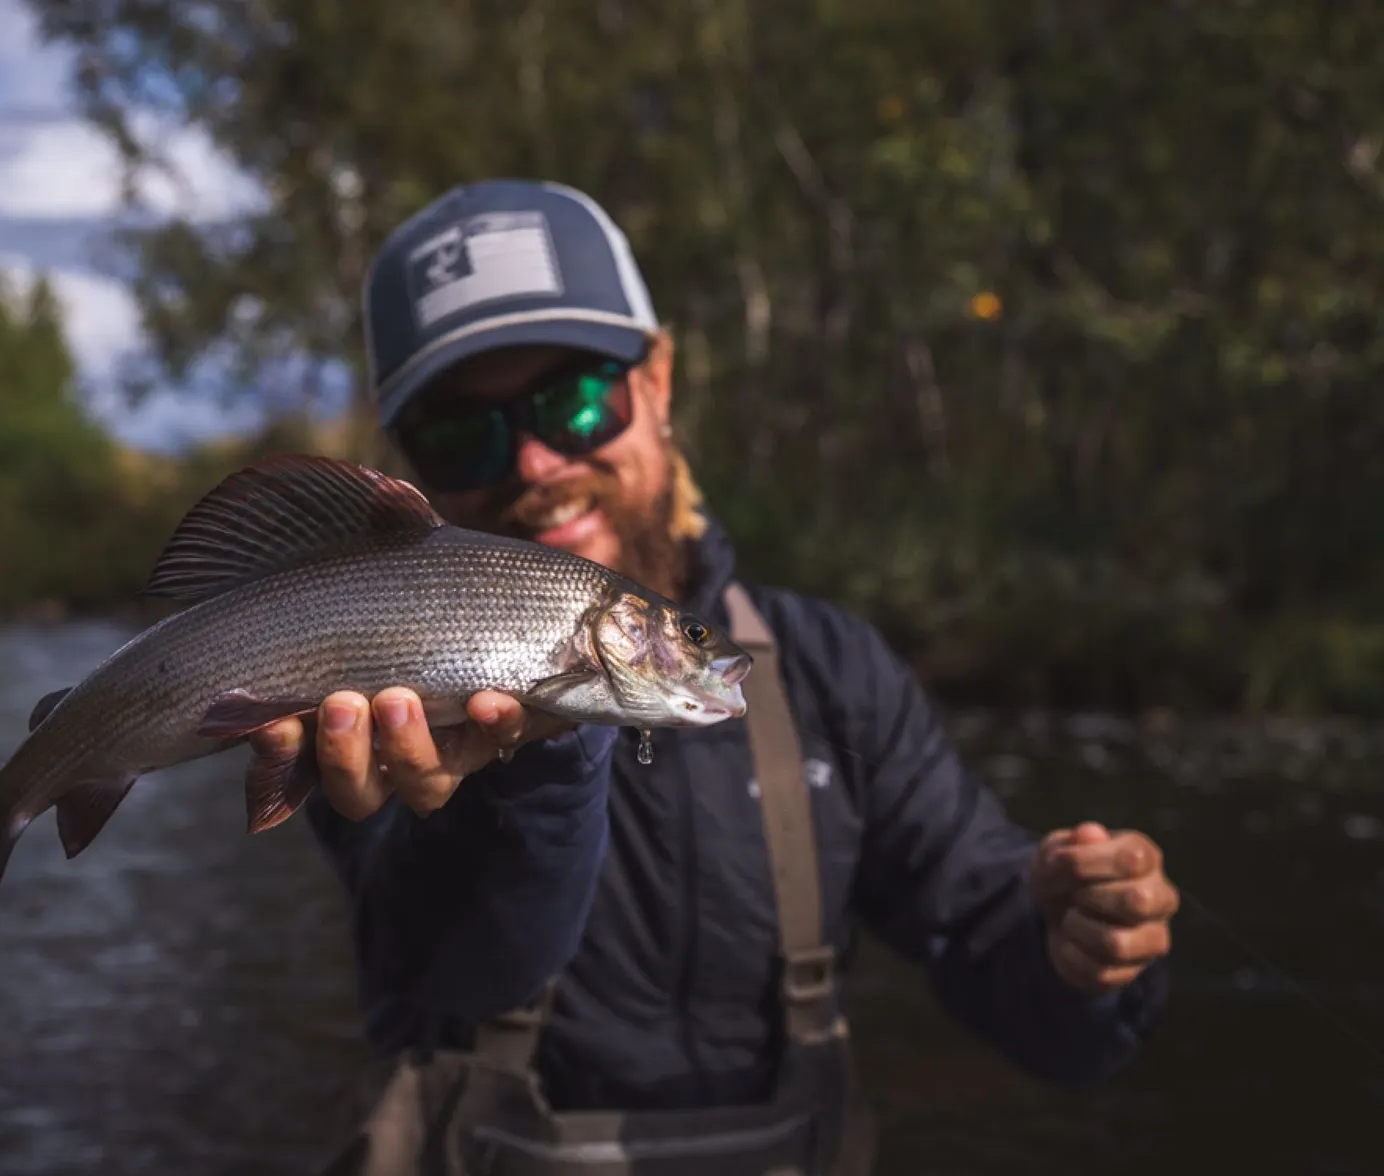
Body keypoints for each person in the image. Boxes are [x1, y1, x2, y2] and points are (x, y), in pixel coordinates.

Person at [249, 179, 1179, 1175]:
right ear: (410, 464)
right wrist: (539, 757)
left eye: (574, 399)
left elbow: (1016, 977)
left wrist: (1083, 951)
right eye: (457, 434)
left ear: (656, 382)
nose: (532, 460)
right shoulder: (362, 684)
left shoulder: (831, 671)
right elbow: (454, 972)